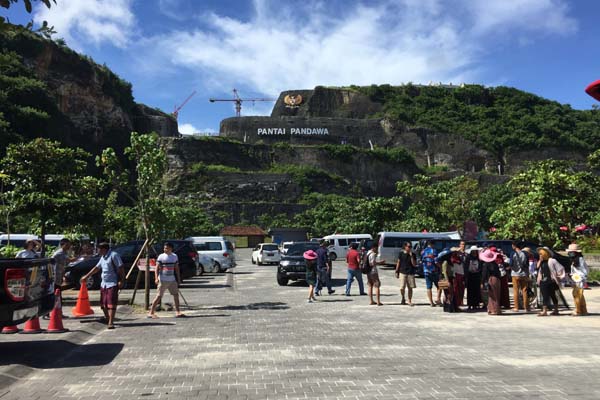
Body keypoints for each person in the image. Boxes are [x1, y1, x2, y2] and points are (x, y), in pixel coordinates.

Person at [80, 243, 124, 329]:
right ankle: (108, 318)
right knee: (103, 304)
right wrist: (87, 276)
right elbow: (97, 268)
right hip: (104, 284)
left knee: (112, 303)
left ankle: (111, 322)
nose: (97, 251)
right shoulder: (103, 257)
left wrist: (121, 280)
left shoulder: (114, 255)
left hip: (113, 283)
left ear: (104, 249)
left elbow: (121, 268)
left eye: (99, 249)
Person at [149, 242, 185, 319]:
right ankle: (151, 312)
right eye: (164, 248)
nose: (165, 249)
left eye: (167, 248)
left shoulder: (174, 256)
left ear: (171, 248)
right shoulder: (161, 256)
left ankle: (178, 311)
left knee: (176, 295)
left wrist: (178, 278)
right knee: (159, 296)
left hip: (172, 279)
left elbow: (176, 268)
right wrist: (156, 278)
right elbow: (156, 268)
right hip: (163, 279)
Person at [536, 247, 562, 316]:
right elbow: (537, 267)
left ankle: (556, 310)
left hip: (551, 281)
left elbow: (560, 269)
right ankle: (544, 311)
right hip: (543, 281)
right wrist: (540, 260)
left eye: (541, 254)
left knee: (553, 295)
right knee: (544, 296)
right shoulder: (542, 261)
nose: (540, 255)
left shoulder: (552, 260)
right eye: (539, 254)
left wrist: (558, 276)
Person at [567, 243, 588, 316]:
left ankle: (578, 310)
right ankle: (583, 310)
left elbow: (584, 270)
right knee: (579, 295)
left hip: (580, 279)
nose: (569, 253)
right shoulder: (574, 260)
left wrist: (583, 279)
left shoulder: (580, 259)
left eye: (571, 252)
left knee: (577, 295)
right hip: (575, 279)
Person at [480, 247, 502, 315]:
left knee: (492, 295)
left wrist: (482, 282)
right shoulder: (494, 263)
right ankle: (493, 309)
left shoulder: (486, 264)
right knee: (496, 295)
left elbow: (484, 274)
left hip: (491, 279)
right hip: (497, 279)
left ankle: (494, 310)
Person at [510, 241, 530, 312]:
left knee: (516, 290)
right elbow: (527, 265)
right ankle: (526, 307)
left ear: (514, 246)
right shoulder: (525, 254)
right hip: (523, 274)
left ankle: (516, 307)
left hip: (515, 274)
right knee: (524, 290)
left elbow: (511, 264)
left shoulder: (513, 253)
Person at [395, 241, 416, 306]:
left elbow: (414, 264)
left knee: (410, 288)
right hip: (402, 272)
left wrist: (411, 256)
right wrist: (396, 271)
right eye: (409, 247)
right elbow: (398, 262)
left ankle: (409, 300)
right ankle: (403, 298)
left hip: (410, 272)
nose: (410, 248)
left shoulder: (413, 254)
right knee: (402, 287)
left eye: (411, 247)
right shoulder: (401, 254)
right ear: (405, 247)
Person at [421, 241, 441, 307]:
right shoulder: (434, 250)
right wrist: (440, 267)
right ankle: (438, 299)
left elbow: (422, 260)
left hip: (426, 271)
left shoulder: (423, 251)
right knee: (439, 286)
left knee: (429, 287)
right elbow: (436, 261)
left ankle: (431, 302)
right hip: (434, 271)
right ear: (432, 244)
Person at [465, 246, 481, 311]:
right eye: (473, 251)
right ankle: (470, 304)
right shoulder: (468, 258)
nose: (474, 252)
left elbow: (480, 266)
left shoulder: (478, 258)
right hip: (470, 275)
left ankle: (476, 304)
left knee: (476, 290)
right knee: (470, 291)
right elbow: (465, 266)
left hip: (477, 275)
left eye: (475, 251)